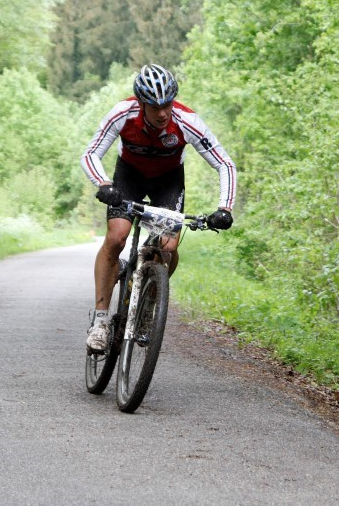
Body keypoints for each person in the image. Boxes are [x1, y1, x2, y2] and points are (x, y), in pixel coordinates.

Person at [80, 63, 235, 352]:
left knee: (167, 246)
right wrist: (103, 183)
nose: (163, 113)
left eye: (167, 104)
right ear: (141, 104)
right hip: (129, 176)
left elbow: (225, 164)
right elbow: (90, 154)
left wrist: (224, 208)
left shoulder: (187, 121)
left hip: (167, 181)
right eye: (154, 107)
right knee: (116, 237)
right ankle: (101, 322)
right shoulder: (123, 113)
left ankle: (149, 300)